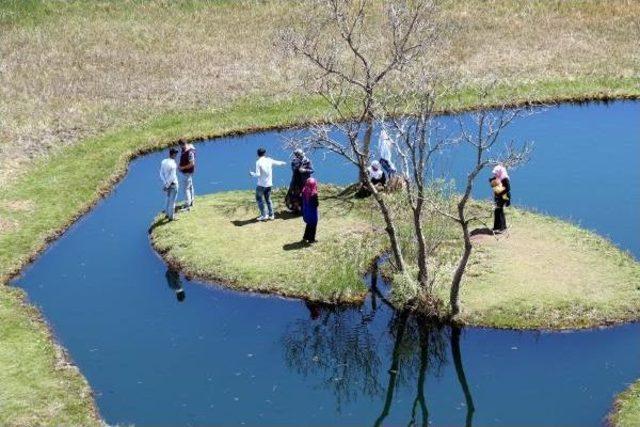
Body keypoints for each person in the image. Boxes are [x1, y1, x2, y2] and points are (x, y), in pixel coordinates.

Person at [250, 147, 286, 221]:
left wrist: (252, 174)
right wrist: (283, 163)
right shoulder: (269, 160)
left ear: (258, 154)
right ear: (265, 153)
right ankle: (271, 215)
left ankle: (264, 215)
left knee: (259, 199)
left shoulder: (258, 162)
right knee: (268, 199)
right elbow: (278, 163)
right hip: (269, 184)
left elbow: (258, 174)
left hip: (261, 185)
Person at [285, 149, 314, 213]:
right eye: (297, 155)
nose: (299, 156)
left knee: (305, 196)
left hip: (305, 182)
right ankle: (296, 210)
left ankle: (305, 209)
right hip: (296, 182)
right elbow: (293, 169)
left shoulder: (307, 161)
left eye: (299, 155)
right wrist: (297, 167)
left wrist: (305, 170)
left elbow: (312, 170)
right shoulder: (294, 161)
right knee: (295, 196)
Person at [159, 148, 179, 221]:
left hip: (167, 184)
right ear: (173, 154)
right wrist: (167, 185)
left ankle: (167, 214)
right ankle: (171, 217)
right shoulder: (173, 164)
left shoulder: (163, 161)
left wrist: (165, 184)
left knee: (167, 199)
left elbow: (161, 173)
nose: (176, 155)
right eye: (176, 153)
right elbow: (172, 177)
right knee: (172, 201)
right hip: (173, 185)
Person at [490, 164, 511, 233]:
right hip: (499, 197)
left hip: (504, 197)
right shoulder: (498, 178)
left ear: (500, 172)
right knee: (497, 211)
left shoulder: (505, 178)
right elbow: (496, 187)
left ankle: (502, 228)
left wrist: (499, 194)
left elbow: (508, 189)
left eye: (496, 173)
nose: (495, 174)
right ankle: (497, 227)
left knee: (499, 210)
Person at [178, 139, 196, 210]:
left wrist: (182, 168)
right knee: (190, 186)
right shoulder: (186, 148)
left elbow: (192, 164)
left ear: (182, 144)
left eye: (181, 146)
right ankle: (191, 202)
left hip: (187, 172)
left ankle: (187, 205)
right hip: (187, 172)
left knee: (186, 189)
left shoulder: (190, 152)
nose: (180, 147)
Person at [301, 177, 319, 243]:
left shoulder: (304, 190)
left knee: (308, 224)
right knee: (313, 225)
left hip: (306, 211)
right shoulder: (314, 194)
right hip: (312, 212)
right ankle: (311, 239)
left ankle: (305, 237)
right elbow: (316, 204)